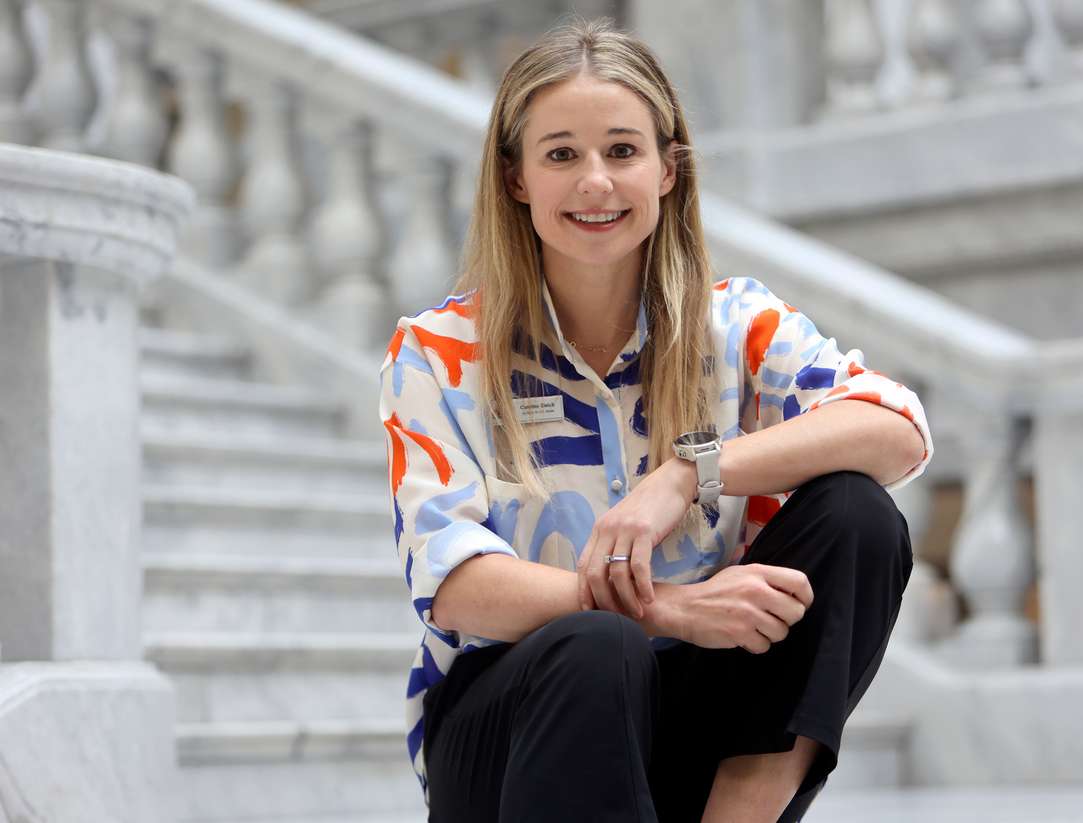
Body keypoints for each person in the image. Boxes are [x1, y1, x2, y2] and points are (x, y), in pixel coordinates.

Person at [379, 17, 932, 823]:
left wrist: (692, 473)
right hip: (513, 736)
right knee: (602, 643)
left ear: (668, 170)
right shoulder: (437, 352)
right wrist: (663, 607)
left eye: (623, 151)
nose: (596, 181)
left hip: (689, 729)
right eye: (562, 154)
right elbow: (456, 583)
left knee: (858, 515)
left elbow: (899, 426)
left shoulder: (734, 325)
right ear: (516, 179)